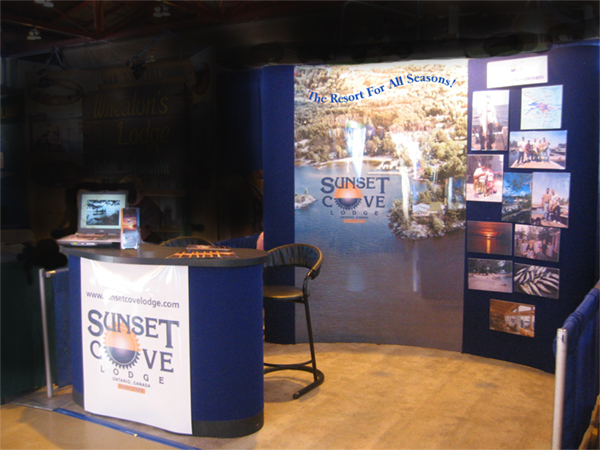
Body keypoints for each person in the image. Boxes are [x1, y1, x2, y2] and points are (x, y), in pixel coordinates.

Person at [120, 175, 163, 244]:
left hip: (149, 245)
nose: (124, 195)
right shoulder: (123, 205)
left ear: (137, 191)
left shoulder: (151, 209)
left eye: (126, 191)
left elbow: (144, 234)